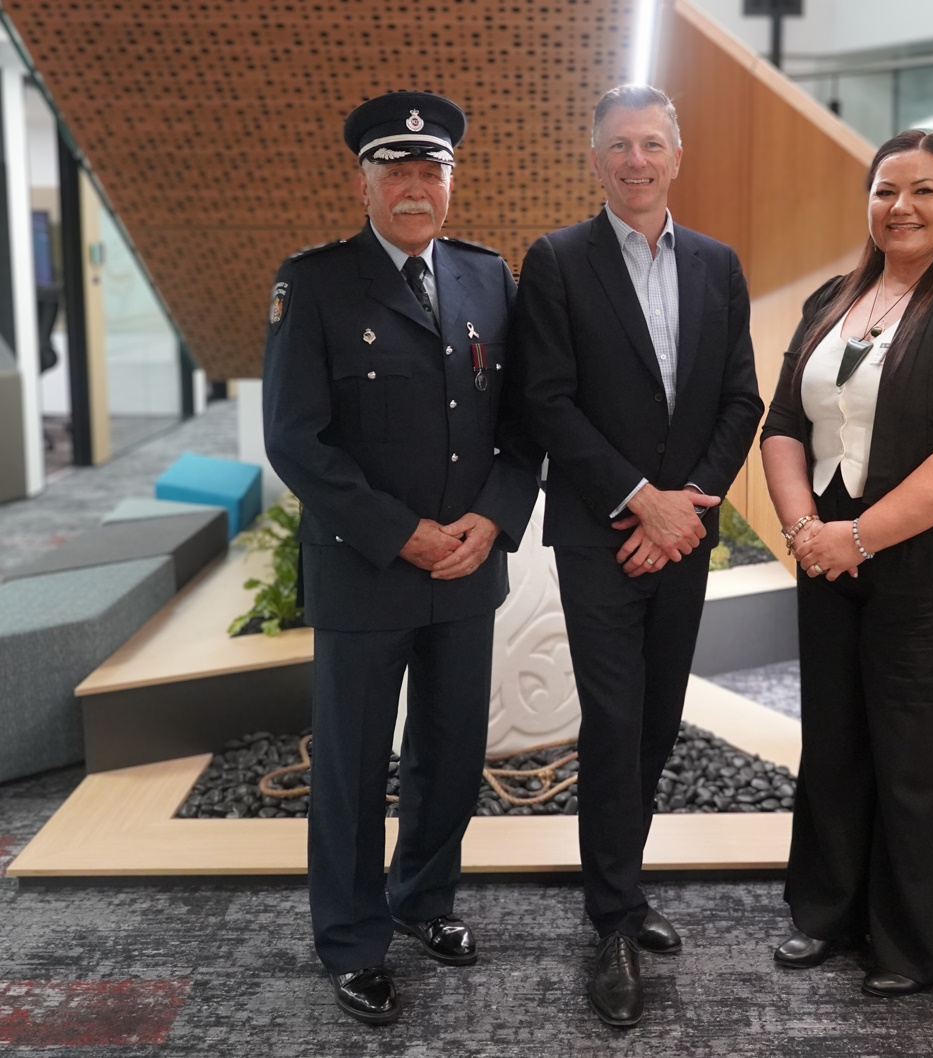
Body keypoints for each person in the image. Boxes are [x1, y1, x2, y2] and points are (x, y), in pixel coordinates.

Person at [262, 90, 538, 1025]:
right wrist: (401, 532)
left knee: (452, 749)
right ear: (365, 182)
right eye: (397, 171)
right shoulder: (316, 284)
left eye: (432, 171)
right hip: (367, 568)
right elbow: (298, 440)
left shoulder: (489, 279)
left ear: (451, 183)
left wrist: (492, 522)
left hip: (466, 567)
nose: (416, 187)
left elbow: (522, 426)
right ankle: (351, 939)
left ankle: (423, 900)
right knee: (350, 764)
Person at [760, 129, 933, 997]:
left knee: (925, 757)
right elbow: (781, 427)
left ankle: (919, 946)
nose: (901, 207)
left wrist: (858, 536)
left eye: (923, 191)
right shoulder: (832, 300)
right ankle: (830, 917)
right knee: (837, 745)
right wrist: (808, 528)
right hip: (831, 561)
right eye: (885, 190)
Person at [513, 84, 762, 1027]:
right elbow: (547, 401)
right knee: (614, 722)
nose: (636, 161)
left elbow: (740, 399)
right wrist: (640, 503)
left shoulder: (716, 264)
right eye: (619, 146)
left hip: (683, 536)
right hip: (603, 537)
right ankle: (611, 921)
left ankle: (624, 882)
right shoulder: (557, 262)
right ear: (595, 159)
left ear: (677, 154)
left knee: (658, 719)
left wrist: (688, 508)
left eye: (652, 144)